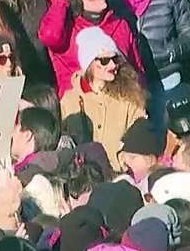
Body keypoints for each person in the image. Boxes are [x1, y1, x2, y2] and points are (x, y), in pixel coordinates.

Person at [60, 27, 149, 171]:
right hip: (83, 177)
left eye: (115, 59)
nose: (113, 65)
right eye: (104, 61)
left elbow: (141, 135)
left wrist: (123, 159)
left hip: (118, 175)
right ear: (89, 64)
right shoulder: (70, 100)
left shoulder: (129, 96)